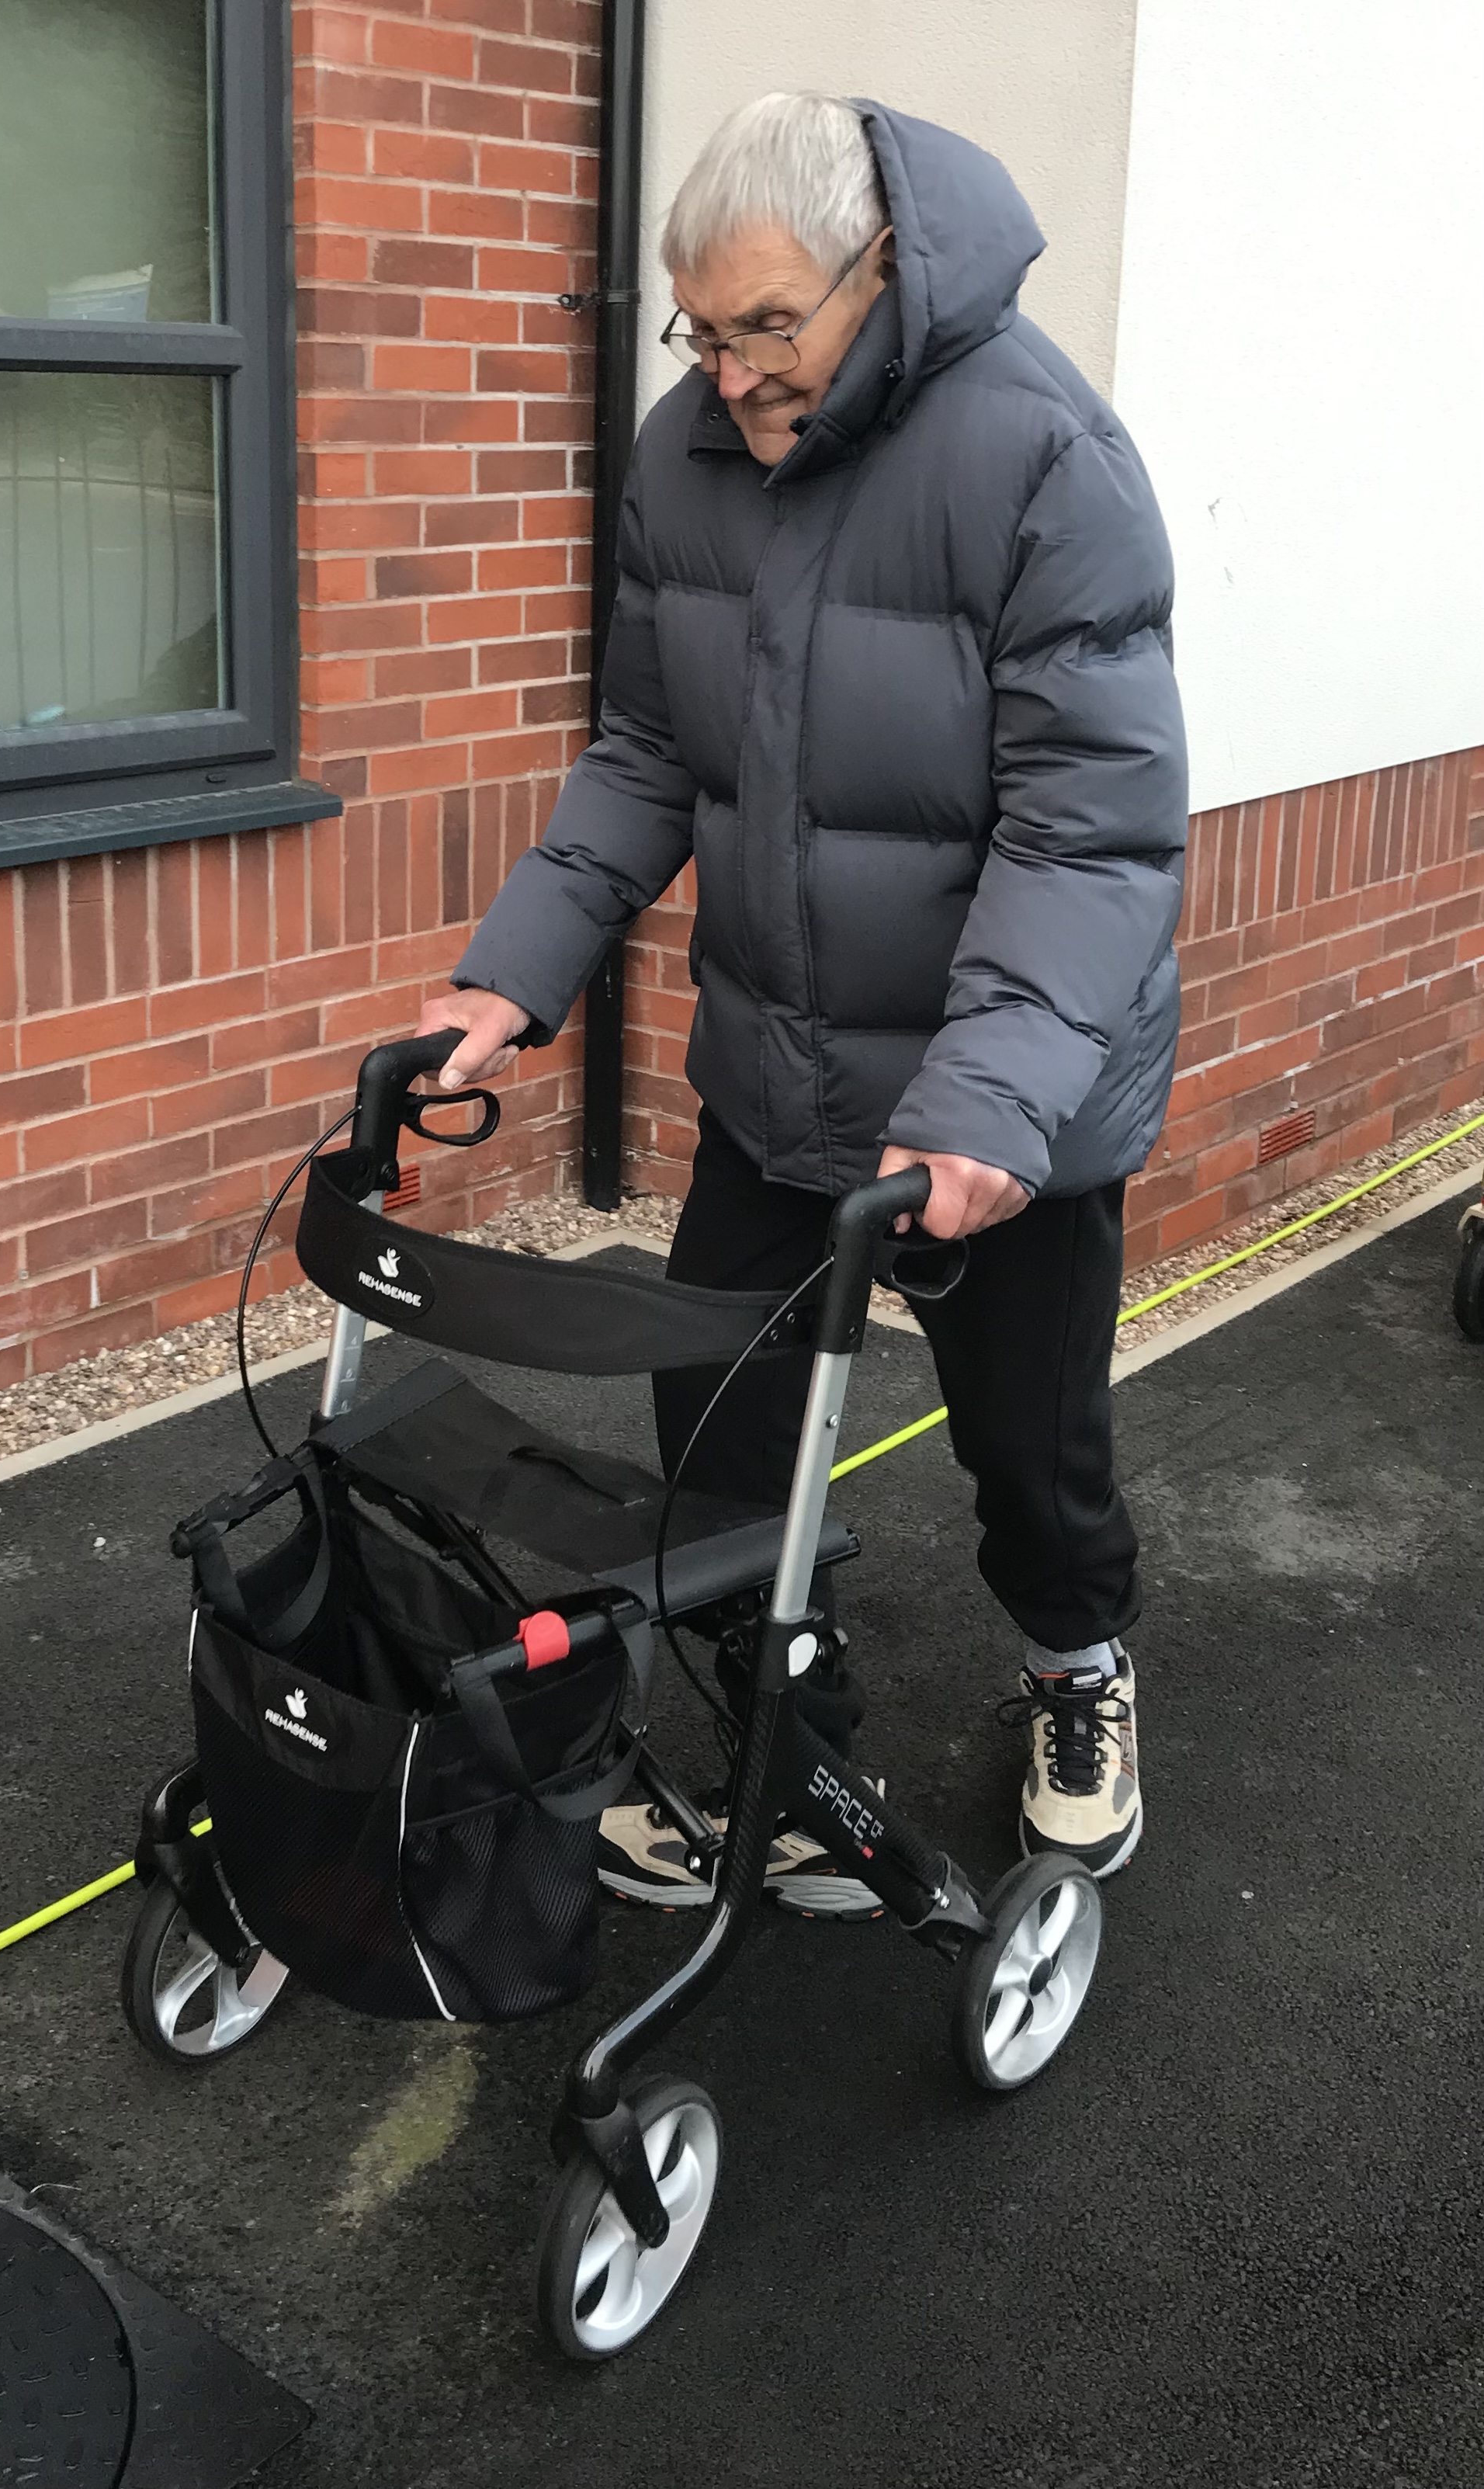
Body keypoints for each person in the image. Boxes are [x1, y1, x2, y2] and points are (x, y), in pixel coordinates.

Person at [416, 91, 1186, 1908]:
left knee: (1029, 1444)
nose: (735, 374)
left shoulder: (1042, 457)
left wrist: (986, 1101)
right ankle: (793, 1748)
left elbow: (1092, 832)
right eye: (705, 327)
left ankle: (1080, 1674)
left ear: (885, 267)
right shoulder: (683, 457)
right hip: (776, 1071)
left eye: (773, 325)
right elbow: (636, 758)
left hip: (1006, 1101)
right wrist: (503, 984)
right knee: (717, 1438)